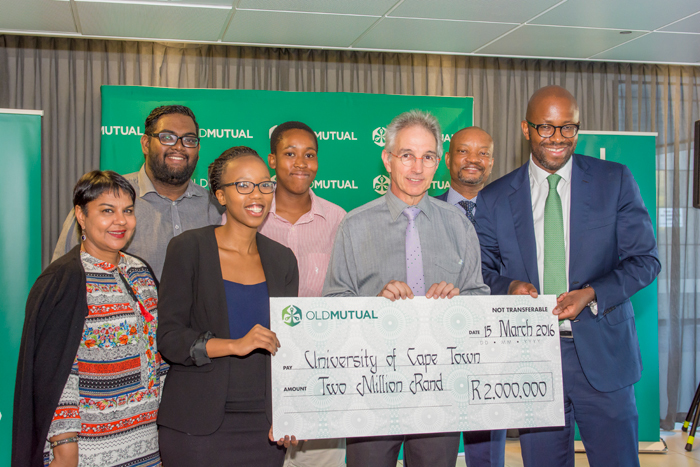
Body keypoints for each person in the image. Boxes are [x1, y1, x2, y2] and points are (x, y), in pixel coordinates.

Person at [475, 85, 661, 467]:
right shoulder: (494, 198)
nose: (557, 138)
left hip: (605, 355)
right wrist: (509, 286)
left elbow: (645, 260)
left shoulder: (615, 180)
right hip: (532, 357)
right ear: (526, 130)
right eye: (546, 127)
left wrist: (592, 292)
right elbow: (481, 271)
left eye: (567, 127)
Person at [323, 110, 490, 467]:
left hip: (439, 389)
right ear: (387, 159)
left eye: (428, 157)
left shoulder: (459, 225)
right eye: (407, 155)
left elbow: (479, 297)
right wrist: (374, 304)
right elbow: (333, 303)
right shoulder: (354, 225)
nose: (417, 168)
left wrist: (457, 302)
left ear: (438, 163)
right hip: (371, 388)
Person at [156, 146, 299, 466]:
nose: (257, 194)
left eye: (265, 184)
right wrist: (235, 345)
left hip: (264, 429)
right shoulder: (187, 249)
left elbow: (289, 347)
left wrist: (291, 412)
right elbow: (169, 337)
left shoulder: (283, 260)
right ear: (220, 195)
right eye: (243, 185)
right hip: (196, 426)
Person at [13, 171, 165, 467]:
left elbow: (158, 353)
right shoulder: (64, 280)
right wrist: (65, 444)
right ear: (81, 216)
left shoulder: (141, 272)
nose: (120, 221)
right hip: (88, 449)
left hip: (146, 443)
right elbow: (53, 372)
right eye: (107, 211)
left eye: (128, 211)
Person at [259, 121, 347, 467]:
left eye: (309, 154)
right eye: (290, 153)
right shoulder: (249, 215)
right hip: (258, 368)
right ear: (272, 160)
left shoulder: (338, 219)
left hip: (319, 369)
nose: (300, 162)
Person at [52, 104, 223, 280]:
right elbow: (61, 278)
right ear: (146, 144)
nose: (179, 146)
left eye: (189, 139)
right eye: (167, 137)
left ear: (198, 149)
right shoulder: (102, 197)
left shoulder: (216, 208)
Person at [435, 126, 505, 467]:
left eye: (483, 153)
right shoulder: (421, 211)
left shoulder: (512, 214)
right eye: (464, 151)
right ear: (448, 159)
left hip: (490, 343)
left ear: (492, 163)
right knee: (432, 445)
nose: (473, 160)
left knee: (487, 450)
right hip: (432, 345)